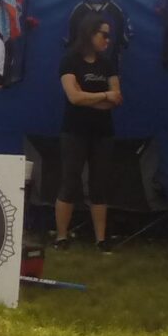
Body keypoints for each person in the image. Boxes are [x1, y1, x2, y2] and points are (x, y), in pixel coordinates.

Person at [54, 17, 124, 249]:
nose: (107, 40)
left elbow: (117, 98)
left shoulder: (108, 64)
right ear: (89, 34)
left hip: (103, 132)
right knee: (70, 181)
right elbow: (73, 97)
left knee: (99, 184)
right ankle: (61, 237)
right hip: (74, 131)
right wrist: (102, 96)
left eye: (108, 35)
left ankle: (101, 239)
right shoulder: (69, 61)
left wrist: (89, 98)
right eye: (103, 34)